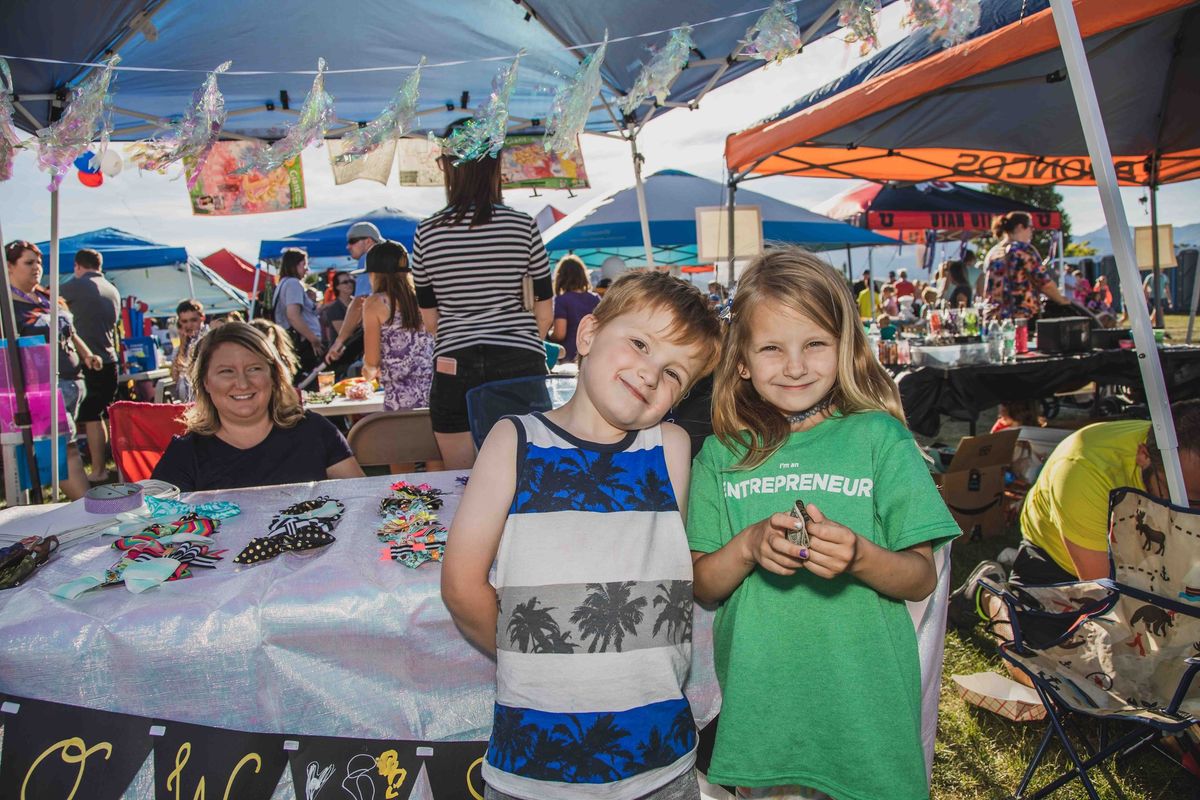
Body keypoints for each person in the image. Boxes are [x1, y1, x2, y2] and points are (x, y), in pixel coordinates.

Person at [686, 247, 958, 800]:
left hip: (866, 708)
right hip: (765, 713)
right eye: (771, 348)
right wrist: (748, 545)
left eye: (814, 343)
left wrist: (860, 556)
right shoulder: (719, 456)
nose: (794, 365)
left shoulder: (882, 439)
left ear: (845, 347)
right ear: (740, 360)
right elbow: (702, 583)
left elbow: (920, 577)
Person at [440, 271, 722, 800]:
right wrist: (531, 657)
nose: (648, 374)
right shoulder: (515, 439)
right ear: (588, 334)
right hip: (536, 762)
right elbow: (461, 584)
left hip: (661, 757)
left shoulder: (672, 448)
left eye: (673, 374)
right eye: (639, 343)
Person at [953, 402, 1200, 646]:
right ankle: (989, 591)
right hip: (1063, 557)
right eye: (1183, 498)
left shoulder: (1179, 457)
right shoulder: (1083, 470)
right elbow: (1106, 593)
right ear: (1143, 456)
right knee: (1046, 654)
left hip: (1143, 552)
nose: (1189, 510)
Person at [410, 130, 554, 470]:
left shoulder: (426, 232)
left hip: (454, 363)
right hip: (519, 359)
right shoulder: (522, 226)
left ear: (449, 168)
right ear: (494, 167)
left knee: (463, 479)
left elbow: (431, 322)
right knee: (531, 475)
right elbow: (544, 312)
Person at [152, 322, 364, 492]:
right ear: (205, 382)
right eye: (226, 371)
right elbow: (157, 531)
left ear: (273, 375)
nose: (243, 383)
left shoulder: (315, 431)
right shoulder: (186, 454)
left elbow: (364, 501)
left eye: (254, 368)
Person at [4, 240, 99, 499]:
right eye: (28, 262)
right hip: (42, 389)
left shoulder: (48, 296)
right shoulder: (8, 306)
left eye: (39, 262)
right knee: (65, 449)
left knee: (61, 449)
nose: (37, 267)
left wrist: (87, 353)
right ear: (9, 266)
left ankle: (70, 506)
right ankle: (87, 509)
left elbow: (71, 332)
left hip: (72, 383)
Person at [61, 248, 121, 482]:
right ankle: (111, 463)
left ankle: (98, 470)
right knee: (104, 413)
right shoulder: (113, 289)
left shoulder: (77, 286)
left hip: (90, 360)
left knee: (91, 416)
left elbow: (49, 298)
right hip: (109, 358)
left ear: (77, 266)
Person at [360, 240, 434, 414]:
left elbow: (372, 360)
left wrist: (367, 371)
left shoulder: (375, 303)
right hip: (434, 393)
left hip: (400, 398)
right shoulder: (422, 299)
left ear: (375, 274)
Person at [982, 211, 1071, 321]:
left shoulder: (993, 253)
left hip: (994, 318)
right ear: (1020, 227)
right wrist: (1061, 300)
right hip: (1020, 317)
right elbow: (1044, 282)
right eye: (1030, 227)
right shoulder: (1024, 250)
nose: (1032, 232)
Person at [272, 248, 323, 382]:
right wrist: (313, 339)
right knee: (308, 380)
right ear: (295, 265)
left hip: (293, 339)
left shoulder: (282, 283)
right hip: (302, 342)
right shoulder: (293, 283)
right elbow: (293, 315)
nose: (307, 270)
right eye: (304, 265)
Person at [549, 254, 600, 361]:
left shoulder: (562, 300)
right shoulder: (596, 299)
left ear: (561, 277)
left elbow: (559, 334)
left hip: (569, 355)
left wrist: (548, 336)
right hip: (592, 354)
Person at [170, 299, 207, 401]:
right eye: (184, 321)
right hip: (186, 401)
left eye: (193, 320)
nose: (189, 325)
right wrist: (182, 344)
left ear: (202, 318)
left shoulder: (210, 339)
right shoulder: (182, 344)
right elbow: (174, 376)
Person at [321, 270, 356, 348]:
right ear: (337, 287)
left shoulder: (359, 303)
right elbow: (344, 335)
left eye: (351, 281)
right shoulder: (334, 308)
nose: (349, 284)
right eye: (345, 282)